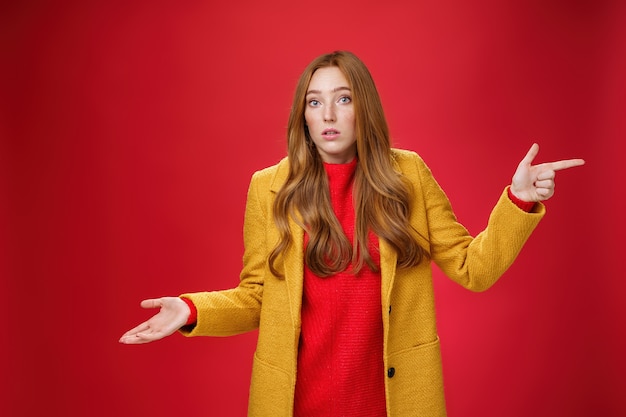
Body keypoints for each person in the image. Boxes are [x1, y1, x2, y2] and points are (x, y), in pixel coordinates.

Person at [119, 50, 584, 416]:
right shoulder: (269, 188)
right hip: (294, 405)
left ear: (364, 107)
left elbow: (472, 268)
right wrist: (192, 309)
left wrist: (519, 199)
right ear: (303, 114)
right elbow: (258, 298)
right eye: (314, 102)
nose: (328, 115)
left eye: (343, 99)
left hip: (393, 403)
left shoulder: (409, 176)